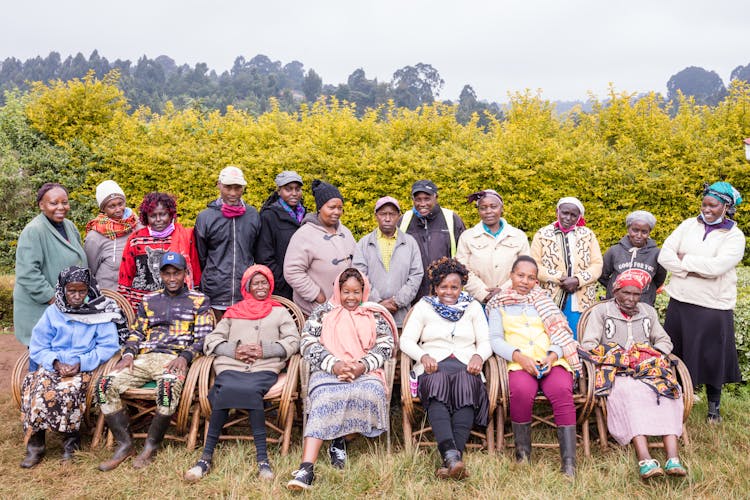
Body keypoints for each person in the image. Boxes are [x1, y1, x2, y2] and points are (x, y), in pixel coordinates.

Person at [97, 252, 214, 471]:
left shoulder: (199, 301)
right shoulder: (150, 300)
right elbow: (136, 333)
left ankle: (151, 445)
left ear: (185, 274)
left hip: (174, 358)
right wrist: (129, 354)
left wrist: (185, 357)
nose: (172, 278)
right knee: (104, 386)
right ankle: (125, 444)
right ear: (160, 274)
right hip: (144, 358)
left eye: (176, 273)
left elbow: (204, 337)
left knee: (167, 389)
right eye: (167, 273)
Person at [185, 265, 300, 482]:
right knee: (226, 387)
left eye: (264, 282)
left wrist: (264, 350)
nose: (260, 287)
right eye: (255, 283)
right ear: (247, 286)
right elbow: (211, 340)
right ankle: (205, 458)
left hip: (263, 368)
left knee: (249, 389)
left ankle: (262, 459)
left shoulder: (279, 311)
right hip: (232, 366)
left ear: (270, 284)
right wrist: (235, 351)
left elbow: (293, 341)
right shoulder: (233, 312)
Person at [287, 268, 396, 491]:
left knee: (370, 393)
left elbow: (386, 346)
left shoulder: (374, 314)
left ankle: (340, 440)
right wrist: (334, 365)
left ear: (364, 292)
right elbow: (307, 343)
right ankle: (306, 469)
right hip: (329, 371)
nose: (351, 297)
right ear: (338, 290)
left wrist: (360, 366)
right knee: (325, 398)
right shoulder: (322, 313)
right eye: (346, 291)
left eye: (356, 292)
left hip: (364, 372)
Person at [580, 269, 687, 479]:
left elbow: (664, 341)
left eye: (636, 294)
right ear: (615, 290)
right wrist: (619, 356)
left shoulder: (648, 312)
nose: (631, 299)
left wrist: (648, 355)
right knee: (630, 394)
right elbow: (588, 344)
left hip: (647, 369)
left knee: (668, 392)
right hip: (618, 372)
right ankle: (645, 459)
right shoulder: (602, 312)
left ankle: (673, 458)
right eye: (626, 293)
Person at [658, 181, 745, 423]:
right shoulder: (688, 225)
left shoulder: (735, 236)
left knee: (713, 357)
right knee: (677, 352)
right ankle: (676, 401)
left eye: (713, 205)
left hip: (714, 306)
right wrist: (695, 269)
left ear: (726, 206)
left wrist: (684, 262)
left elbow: (718, 267)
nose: (706, 209)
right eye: (704, 204)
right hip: (681, 301)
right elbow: (665, 255)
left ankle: (713, 408)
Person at [487, 255, 581, 477]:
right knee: (521, 391)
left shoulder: (544, 301)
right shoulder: (497, 304)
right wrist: (519, 357)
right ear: (511, 275)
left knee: (561, 390)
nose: (524, 281)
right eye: (520, 275)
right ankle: (523, 455)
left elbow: (561, 332)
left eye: (531, 278)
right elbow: (495, 340)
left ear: (536, 281)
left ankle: (569, 463)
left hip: (550, 359)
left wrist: (551, 356)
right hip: (519, 361)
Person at [400, 257, 492, 480]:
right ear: (435, 287)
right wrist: (423, 355)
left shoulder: (472, 307)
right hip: (434, 365)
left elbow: (486, 341)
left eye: (454, 287)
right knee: (436, 383)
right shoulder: (424, 306)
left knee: (468, 385)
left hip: (465, 363)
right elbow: (406, 341)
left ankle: (451, 461)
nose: (449, 292)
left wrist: (479, 356)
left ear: (462, 286)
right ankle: (453, 458)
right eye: (443, 287)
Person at [20, 266, 120, 468]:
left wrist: (80, 363)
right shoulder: (52, 312)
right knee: (35, 385)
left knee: (69, 390)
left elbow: (108, 346)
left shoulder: (99, 312)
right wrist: (55, 362)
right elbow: (38, 345)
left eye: (81, 291)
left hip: (83, 367)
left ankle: (70, 444)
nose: (76, 296)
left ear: (89, 289)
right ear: (62, 289)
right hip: (54, 363)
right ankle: (36, 445)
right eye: (71, 291)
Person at [14, 183, 88, 349]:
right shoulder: (34, 231)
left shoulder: (69, 226)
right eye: (54, 203)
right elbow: (27, 273)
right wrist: (55, 298)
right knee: (44, 361)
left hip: (67, 306)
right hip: (42, 309)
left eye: (65, 202)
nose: (61, 207)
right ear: (42, 205)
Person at [194, 166, 261, 321]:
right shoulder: (205, 217)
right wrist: (213, 275)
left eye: (237, 188)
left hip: (244, 290)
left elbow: (256, 251)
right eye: (228, 187)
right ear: (219, 185)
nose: (232, 193)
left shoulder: (253, 215)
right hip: (215, 291)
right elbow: (201, 256)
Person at [530, 197, 602, 339]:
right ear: (557, 212)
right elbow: (534, 265)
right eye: (565, 213)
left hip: (581, 297)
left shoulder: (587, 235)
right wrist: (559, 278)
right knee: (551, 338)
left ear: (579, 217)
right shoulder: (542, 234)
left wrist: (577, 280)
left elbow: (597, 265)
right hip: (550, 297)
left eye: (573, 215)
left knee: (578, 335)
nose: (568, 218)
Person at [118, 192, 201, 311]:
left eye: (163, 214)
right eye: (153, 215)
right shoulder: (136, 239)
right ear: (146, 217)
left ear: (171, 214)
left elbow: (195, 270)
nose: (158, 220)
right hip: (142, 306)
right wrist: (125, 306)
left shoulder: (185, 237)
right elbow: (125, 275)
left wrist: (196, 296)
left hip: (178, 305)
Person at [283, 180, 356, 316]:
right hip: (316, 311)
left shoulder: (345, 232)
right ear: (320, 208)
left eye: (340, 208)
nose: (336, 212)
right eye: (331, 207)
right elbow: (292, 270)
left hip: (344, 310)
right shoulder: (304, 234)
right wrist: (316, 294)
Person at [352, 196, 423, 327]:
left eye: (392, 214)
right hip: (371, 315)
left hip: (401, 316)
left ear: (399, 216)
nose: (387, 218)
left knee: (400, 346)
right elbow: (359, 276)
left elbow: (416, 275)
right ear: (376, 215)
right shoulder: (364, 243)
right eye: (383, 214)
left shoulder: (410, 243)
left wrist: (397, 302)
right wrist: (378, 303)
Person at [456, 189, 530, 303]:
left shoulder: (518, 236)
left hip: (512, 299)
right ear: (479, 211)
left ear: (502, 208)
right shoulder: (467, 237)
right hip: (477, 301)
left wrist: (503, 290)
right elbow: (462, 269)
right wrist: (483, 294)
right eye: (483, 208)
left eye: (493, 206)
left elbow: (525, 269)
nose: (488, 211)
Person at [400, 180, 466, 302]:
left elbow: (464, 256)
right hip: (412, 294)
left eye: (427, 198)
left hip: (446, 293)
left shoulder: (451, 219)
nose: (422, 203)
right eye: (418, 199)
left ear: (436, 197)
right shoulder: (404, 220)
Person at [256, 170, 307, 300]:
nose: (294, 193)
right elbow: (264, 256)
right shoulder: (269, 216)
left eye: (297, 189)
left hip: (303, 285)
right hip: (283, 288)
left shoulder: (305, 216)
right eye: (288, 189)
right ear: (279, 191)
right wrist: (283, 282)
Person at [599, 210, 666, 306]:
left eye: (644, 232)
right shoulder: (614, 251)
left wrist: (646, 292)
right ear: (628, 229)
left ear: (649, 232)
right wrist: (617, 289)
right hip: (616, 303)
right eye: (635, 230)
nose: (639, 235)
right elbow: (602, 276)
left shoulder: (656, 254)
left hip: (644, 304)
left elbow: (659, 279)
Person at [84, 180, 139, 291]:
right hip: (109, 298)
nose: (118, 209)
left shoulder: (138, 226)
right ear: (103, 209)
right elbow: (90, 271)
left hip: (136, 296)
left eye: (120, 203)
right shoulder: (95, 236)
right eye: (112, 206)